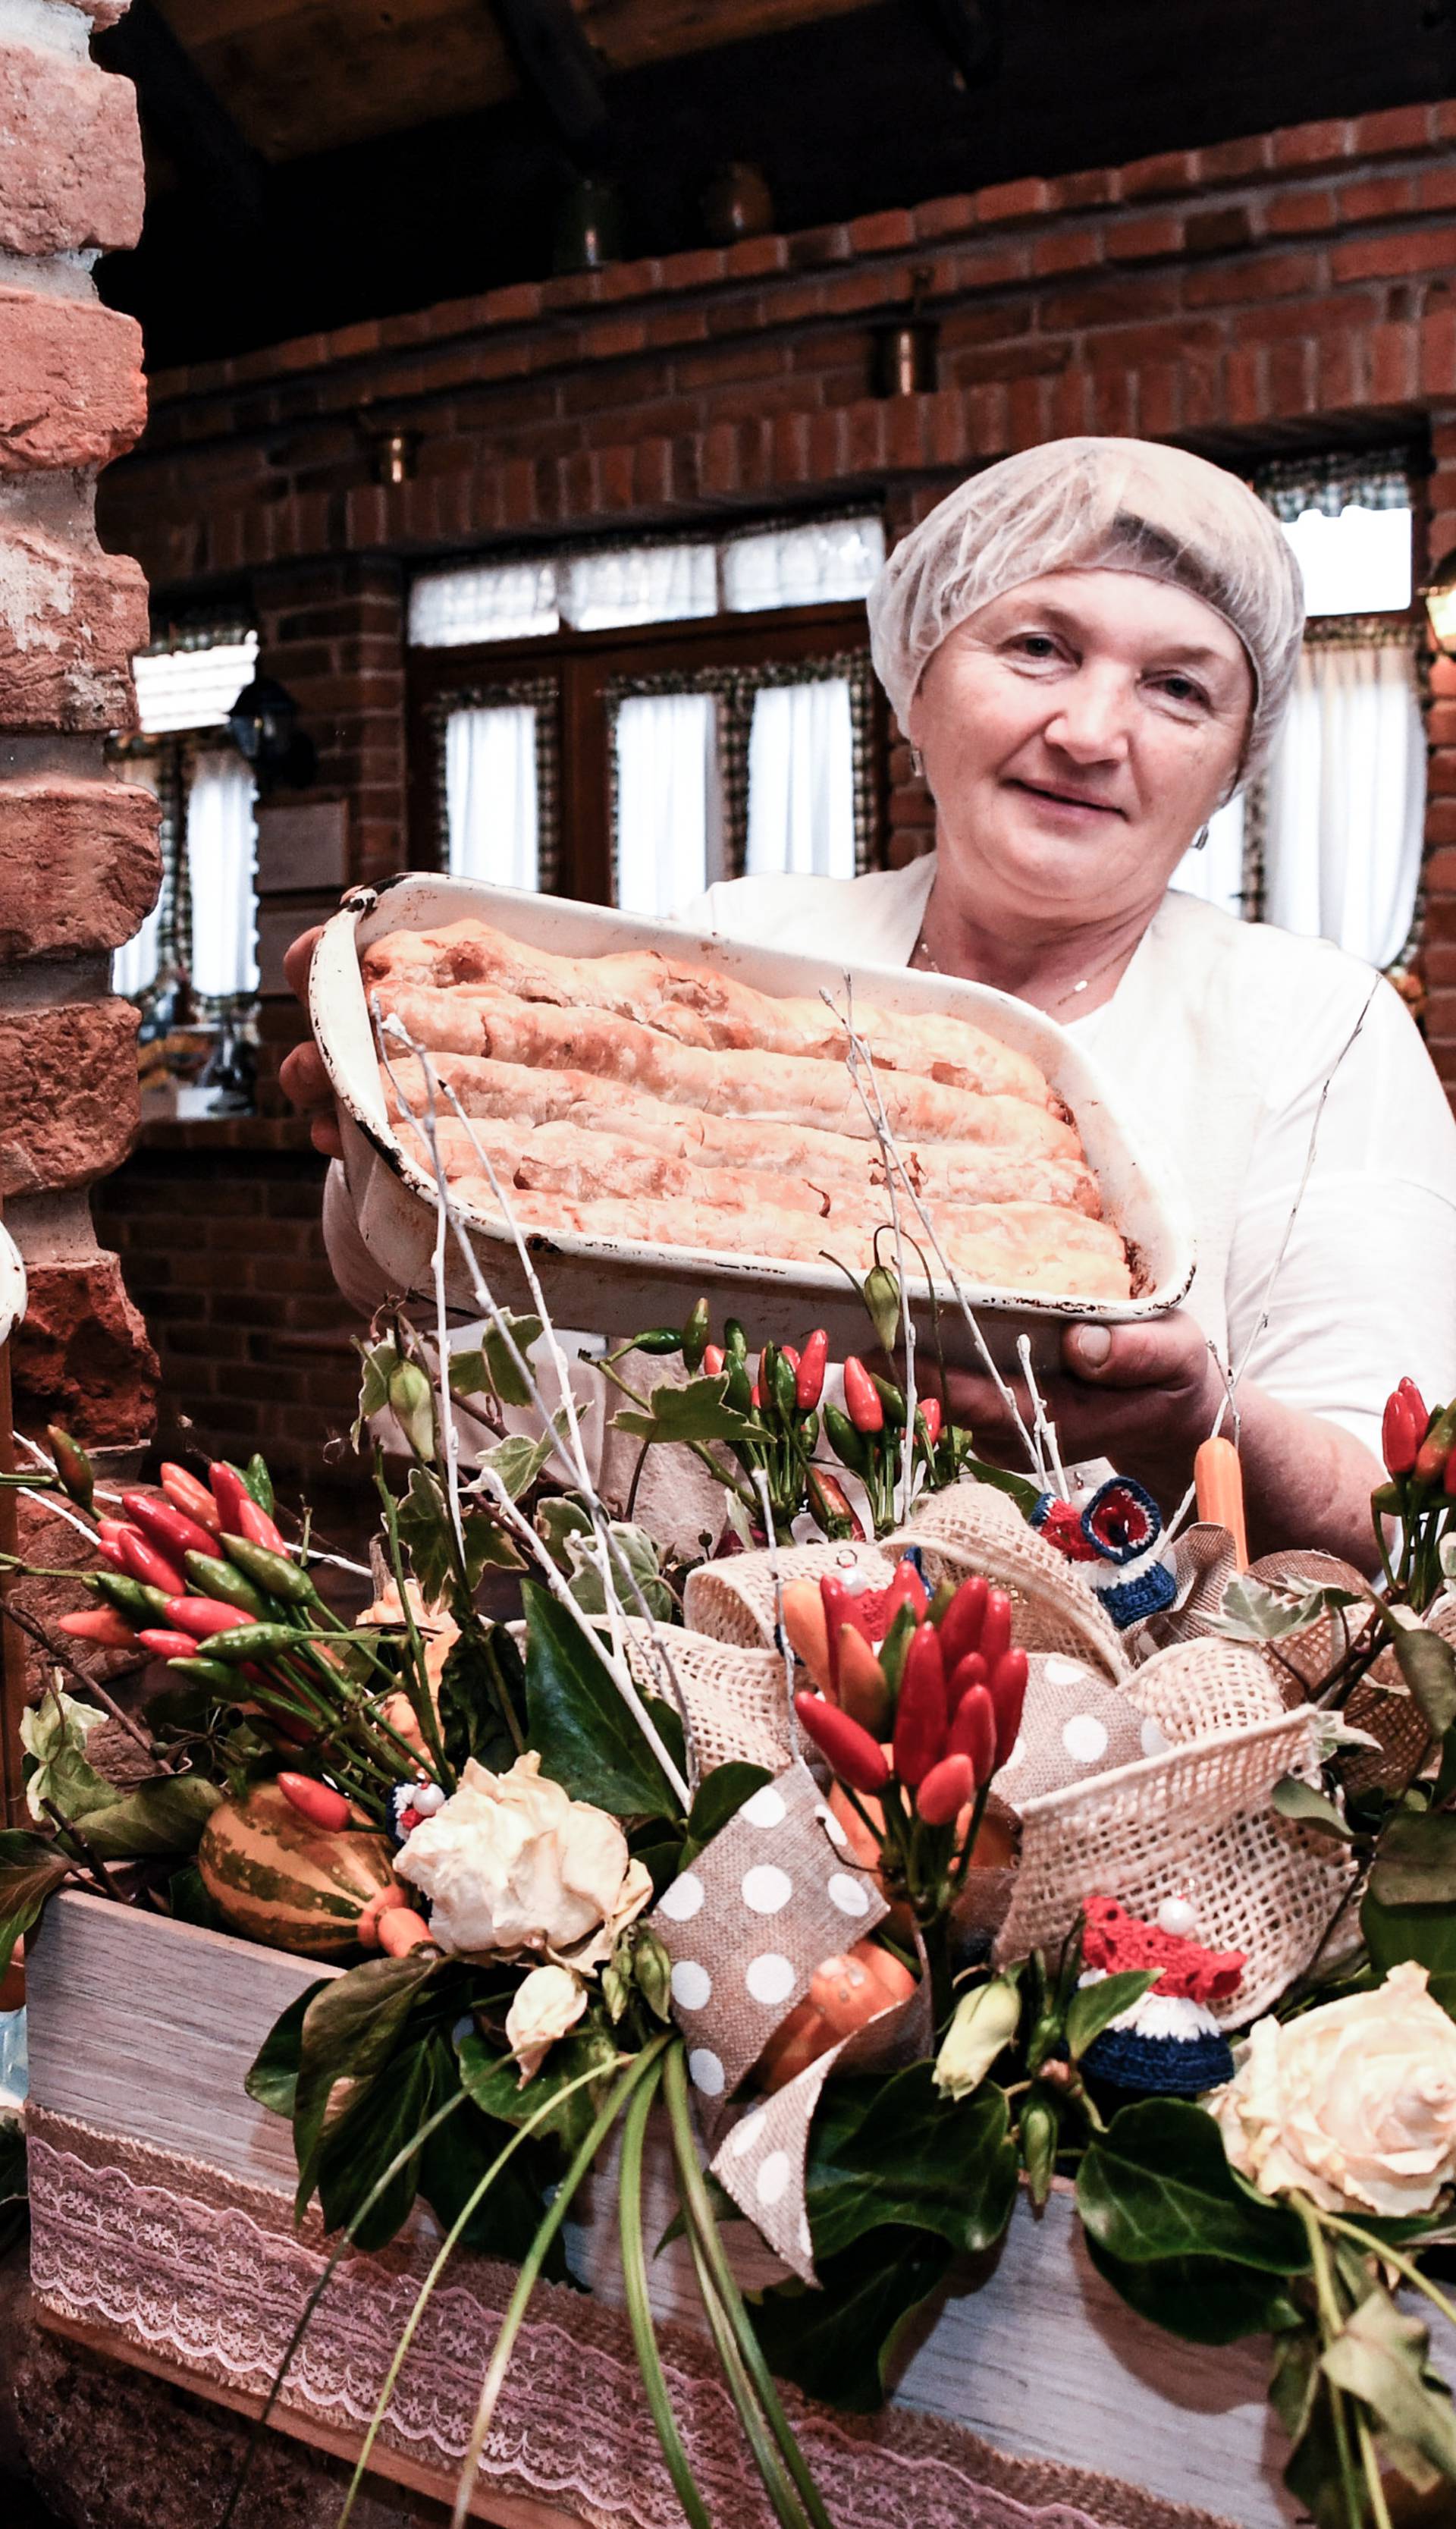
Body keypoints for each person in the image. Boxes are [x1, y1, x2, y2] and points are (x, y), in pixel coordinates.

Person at [283, 436, 1456, 1568]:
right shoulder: (746, 945)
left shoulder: (1314, 1029)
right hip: (676, 1697)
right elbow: (430, 1272)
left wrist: (1197, 1420)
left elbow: (1399, 1516)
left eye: (1178, 687)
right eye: (1040, 646)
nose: (1093, 732)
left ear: (1232, 762)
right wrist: (371, 1145)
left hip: (1111, 1736)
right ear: (920, 679)